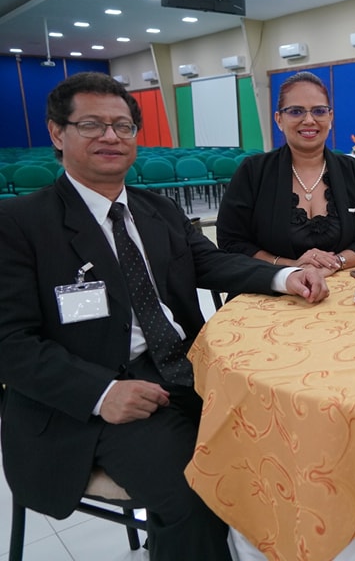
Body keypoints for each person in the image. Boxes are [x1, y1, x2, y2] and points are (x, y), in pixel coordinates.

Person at [0, 72, 329, 561]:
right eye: (92, 124)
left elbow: (211, 262)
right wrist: (101, 393)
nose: (111, 136)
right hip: (94, 402)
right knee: (199, 493)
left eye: (123, 126)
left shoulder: (158, 210)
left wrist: (286, 277)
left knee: (292, 436)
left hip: (185, 369)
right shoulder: (21, 225)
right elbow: (10, 343)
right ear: (56, 133)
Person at [217, 71, 355, 274]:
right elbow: (231, 242)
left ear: (330, 117)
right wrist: (291, 267)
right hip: (269, 288)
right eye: (296, 111)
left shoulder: (353, 171)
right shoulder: (253, 172)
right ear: (279, 119)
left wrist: (334, 263)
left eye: (319, 111)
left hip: (339, 289)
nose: (309, 120)